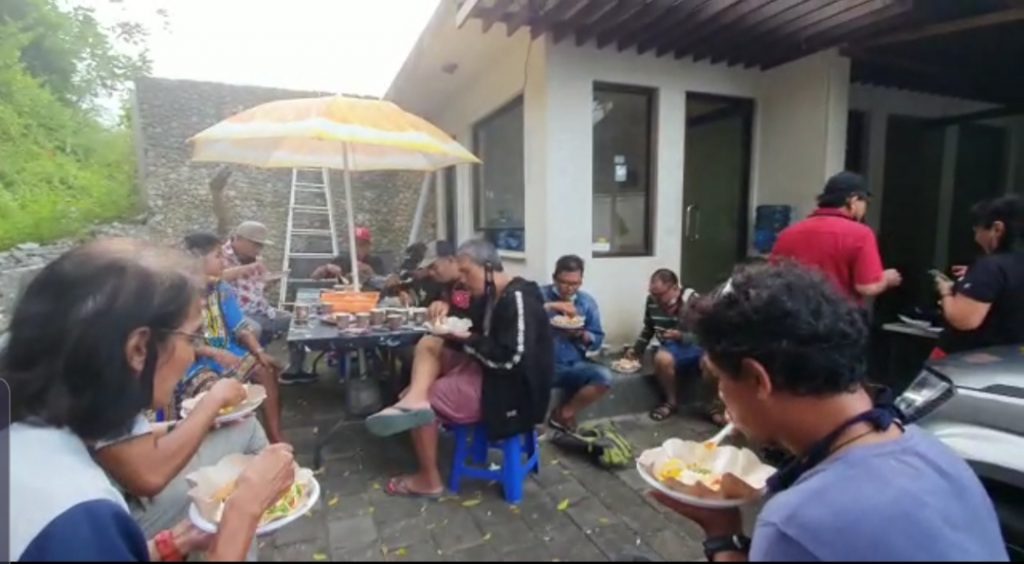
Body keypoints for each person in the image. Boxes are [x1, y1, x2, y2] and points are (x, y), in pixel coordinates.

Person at [652, 262, 1007, 562]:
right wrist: (722, 529)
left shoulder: (796, 523)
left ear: (758, 379)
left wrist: (722, 543)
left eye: (719, 379)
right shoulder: (942, 459)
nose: (720, 394)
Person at [5, 239, 296, 561]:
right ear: (138, 349)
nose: (192, 356)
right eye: (191, 338)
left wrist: (170, 545)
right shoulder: (74, 515)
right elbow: (145, 480)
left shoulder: (32, 434)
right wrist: (242, 513)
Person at [363, 239, 553, 498]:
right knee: (430, 342)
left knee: (427, 401)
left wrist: (467, 340)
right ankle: (414, 398)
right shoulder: (488, 294)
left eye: (466, 271)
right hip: (490, 372)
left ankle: (429, 479)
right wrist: (451, 322)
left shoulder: (519, 299)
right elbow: (471, 325)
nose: (461, 279)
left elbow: (513, 359)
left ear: (488, 267)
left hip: (512, 394)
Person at [180, 232, 286, 444]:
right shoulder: (180, 294)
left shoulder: (222, 288)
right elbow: (178, 341)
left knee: (265, 369)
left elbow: (240, 326)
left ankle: (274, 435)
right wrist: (213, 352)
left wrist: (259, 352)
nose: (224, 261)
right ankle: (228, 442)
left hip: (228, 352)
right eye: (218, 256)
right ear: (198, 260)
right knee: (213, 389)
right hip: (195, 363)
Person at [771, 171, 902, 303]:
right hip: (838, 312)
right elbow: (867, 287)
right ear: (853, 200)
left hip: (794, 311)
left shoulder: (788, 233)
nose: (865, 209)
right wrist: (886, 279)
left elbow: (774, 279)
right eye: (865, 203)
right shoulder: (861, 234)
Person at [220, 221, 313, 385]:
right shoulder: (220, 255)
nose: (259, 249)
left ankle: (294, 371)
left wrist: (270, 282)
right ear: (238, 239)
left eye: (261, 245)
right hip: (236, 312)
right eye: (255, 244)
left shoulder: (251, 258)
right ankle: (249, 375)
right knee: (254, 328)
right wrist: (244, 269)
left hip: (260, 309)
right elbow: (214, 278)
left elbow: (257, 288)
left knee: (298, 320)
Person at [935, 195, 1024, 355]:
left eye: (978, 229)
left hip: (975, 358)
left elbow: (963, 319)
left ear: (997, 229)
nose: (976, 237)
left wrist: (946, 291)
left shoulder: (991, 267)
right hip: (1014, 358)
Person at [542, 255, 614, 431]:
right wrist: (552, 306)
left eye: (575, 283)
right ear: (554, 278)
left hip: (573, 364)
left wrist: (582, 335)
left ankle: (564, 414)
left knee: (604, 377)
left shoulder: (586, 302)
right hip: (542, 365)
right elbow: (518, 313)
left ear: (581, 281)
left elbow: (597, 338)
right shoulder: (539, 295)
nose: (569, 288)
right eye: (564, 282)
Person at [626, 269, 702, 422]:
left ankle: (712, 405)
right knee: (661, 358)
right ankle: (671, 402)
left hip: (697, 346)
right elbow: (649, 328)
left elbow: (705, 333)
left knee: (713, 362)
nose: (656, 298)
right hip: (672, 348)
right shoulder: (652, 302)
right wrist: (637, 350)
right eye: (653, 293)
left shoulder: (692, 300)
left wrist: (681, 336)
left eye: (660, 294)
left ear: (674, 288)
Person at [311, 226, 385, 283]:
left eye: (361, 244)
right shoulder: (341, 260)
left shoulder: (375, 261)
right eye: (354, 243)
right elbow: (314, 277)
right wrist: (326, 268)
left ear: (368, 246)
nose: (357, 247)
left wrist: (370, 272)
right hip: (344, 296)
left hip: (368, 296)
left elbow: (384, 284)